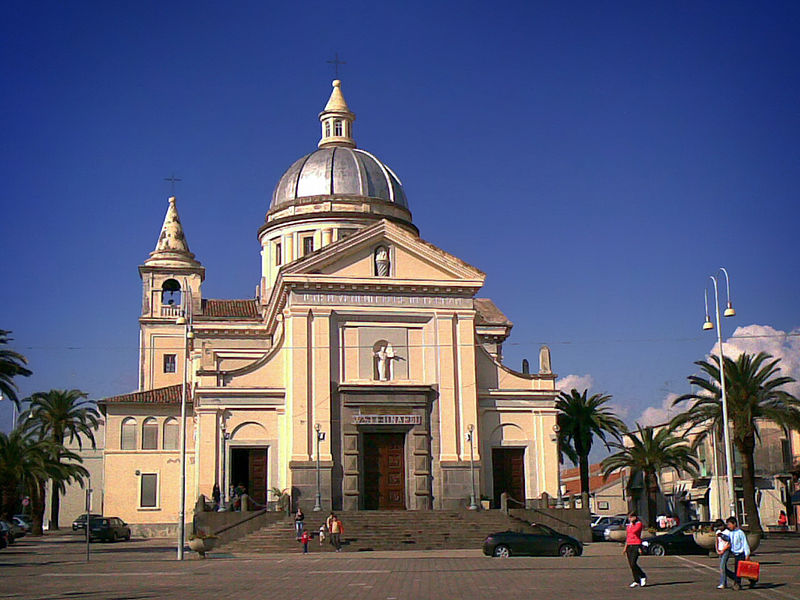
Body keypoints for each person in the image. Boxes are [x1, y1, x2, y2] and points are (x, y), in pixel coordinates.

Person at [718, 516, 751, 590]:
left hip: (741, 553)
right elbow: (728, 538)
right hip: (735, 554)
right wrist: (721, 535)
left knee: (739, 569)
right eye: (728, 525)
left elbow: (745, 543)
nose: (729, 526)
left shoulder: (740, 533)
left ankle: (737, 583)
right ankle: (742, 581)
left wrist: (747, 554)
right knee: (739, 569)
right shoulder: (731, 533)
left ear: (734, 524)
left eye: (730, 524)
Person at [623, 512, 647, 588]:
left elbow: (634, 531)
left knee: (633, 563)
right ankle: (636, 580)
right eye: (629, 517)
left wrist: (631, 524)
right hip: (629, 545)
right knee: (631, 565)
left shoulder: (638, 524)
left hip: (636, 545)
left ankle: (642, 576)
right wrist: (625, 547)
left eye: (631, 517)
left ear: (635, 517)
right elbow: (628, 536)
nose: (630, 519)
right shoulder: (629, 526)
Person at [714, 520, 731, 589]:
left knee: (722, 566)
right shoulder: (718, 532)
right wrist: (717, 549)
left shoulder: (727, 532)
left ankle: (723, 583)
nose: (719, 528)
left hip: (725, 550)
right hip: (720, 550)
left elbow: (729, 543)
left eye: (720, 526)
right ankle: (734, 576)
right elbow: (717, 541)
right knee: (724, 568)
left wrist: (723, 550)